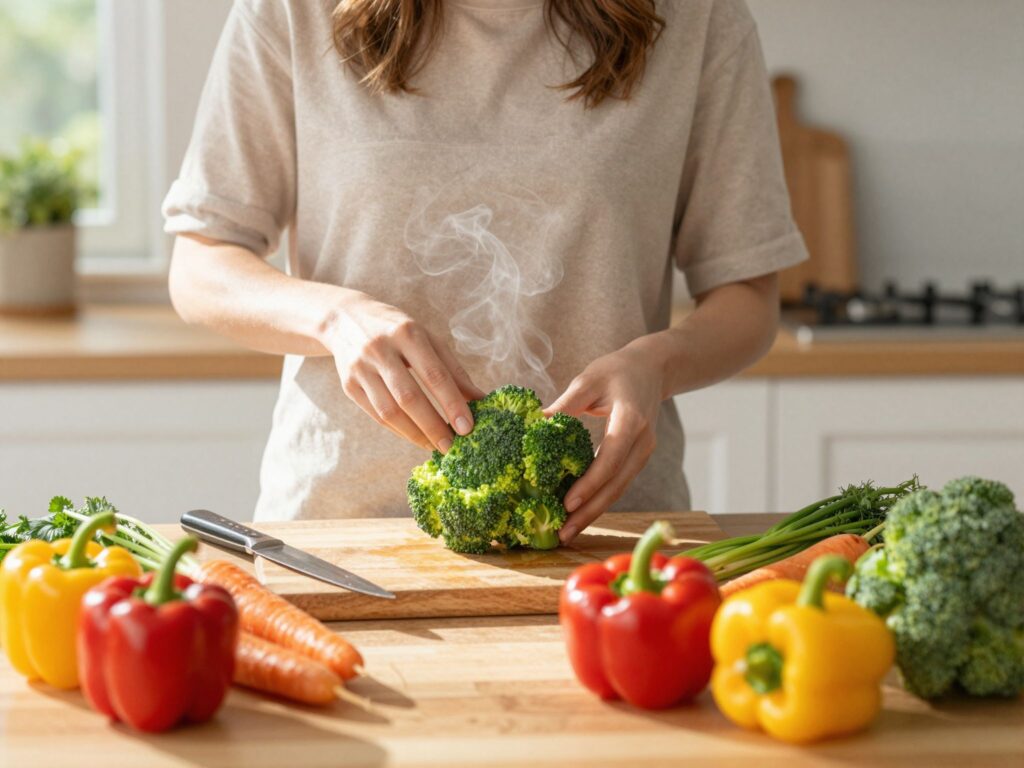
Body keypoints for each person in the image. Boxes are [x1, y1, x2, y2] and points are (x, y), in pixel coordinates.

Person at [163, 0, 807, 542]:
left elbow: (748, 296)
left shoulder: (697, 19)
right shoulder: (292, 11)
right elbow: (201, 264)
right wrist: (335, 319)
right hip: (342, 532)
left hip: (609, 535)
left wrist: (657, 364)